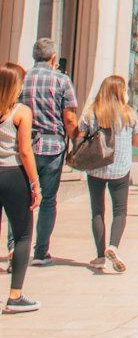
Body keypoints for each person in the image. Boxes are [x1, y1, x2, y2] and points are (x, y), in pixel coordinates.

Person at [19, 37, 78, 265]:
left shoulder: (21, 79)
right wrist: (75, 144)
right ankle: (41, 251)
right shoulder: (61, 81)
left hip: (25, 146)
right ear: (54, 58)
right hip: (53, 147)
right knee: (48, 200)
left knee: (22, 198)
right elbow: (70, 119)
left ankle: (16, 247)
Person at [78, 75, 138, 273]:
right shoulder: (129, 114)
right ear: (120, 92)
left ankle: (99, 256)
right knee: (120, 211)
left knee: (97, 211)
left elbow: (80, 137)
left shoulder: (91, 113)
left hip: (96, 167)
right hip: (120, 169)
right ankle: (113, 246)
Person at [0, 63, 41, 314]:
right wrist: (35, 184)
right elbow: (25, 151)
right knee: (24, 234)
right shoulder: (21, 111)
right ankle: (15, 296)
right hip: (14, 175)